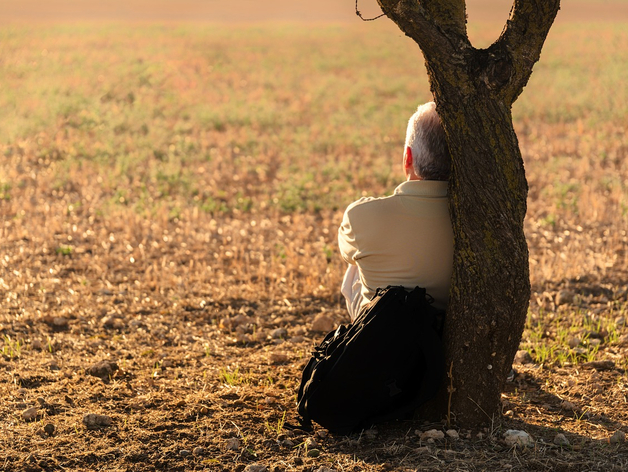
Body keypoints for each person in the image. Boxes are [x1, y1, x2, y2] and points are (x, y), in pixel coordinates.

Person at [338, 102, 453, 321]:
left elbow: (346, 254)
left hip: (381, 338)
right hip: (443, 335)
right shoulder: (476, 220)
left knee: (356, 264)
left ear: (407, 157)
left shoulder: (360, 216)